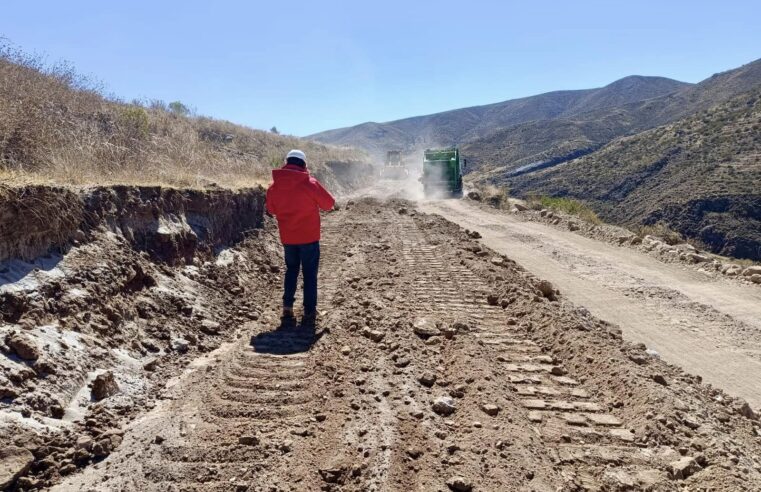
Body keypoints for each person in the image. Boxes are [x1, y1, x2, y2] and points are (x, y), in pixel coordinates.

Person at [265, 150, 335, 326]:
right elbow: (329, 204)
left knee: (291, 271)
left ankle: (287, 307)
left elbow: (271, 210)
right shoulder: (309, 183)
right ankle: (309, 312)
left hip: (288, 239)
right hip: (309, 239)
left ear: (286, 162)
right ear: (304, 165)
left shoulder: (274, 187)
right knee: (309, 275)